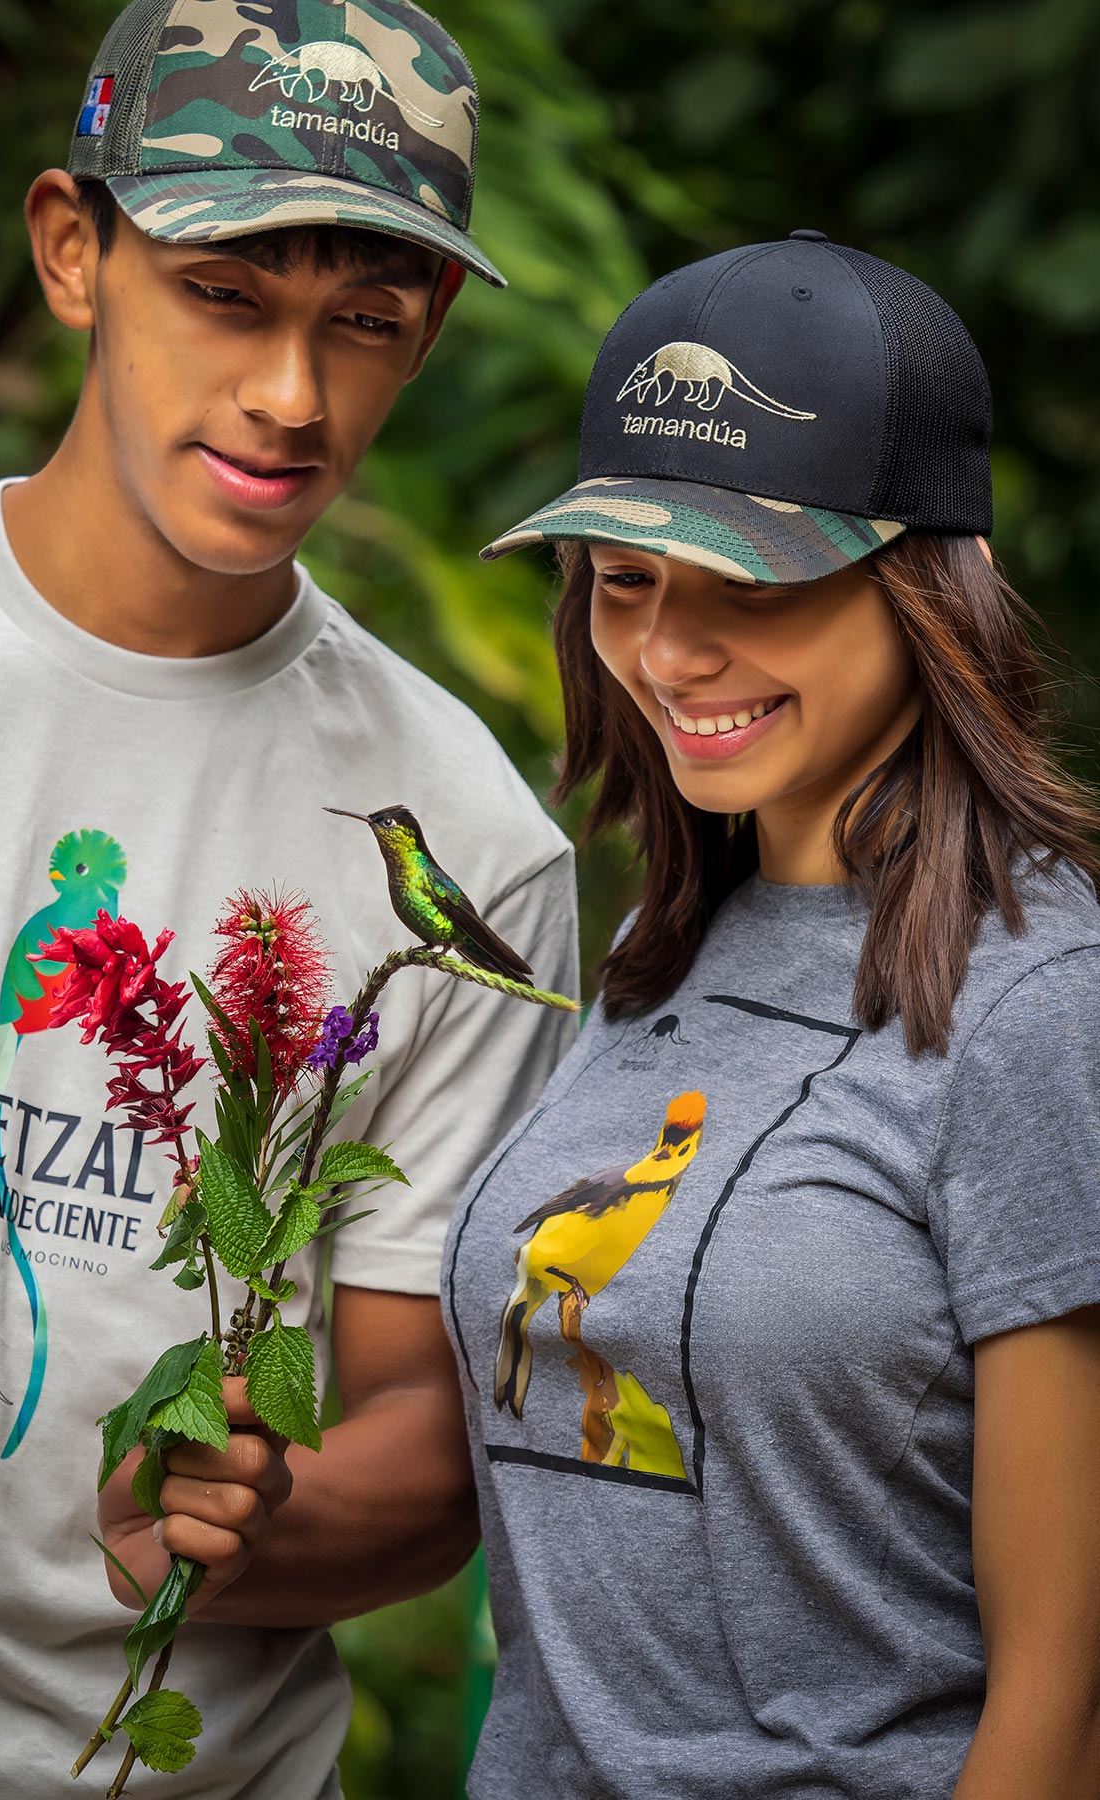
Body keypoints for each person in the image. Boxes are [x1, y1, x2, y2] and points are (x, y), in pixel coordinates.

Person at [0, 3, 579, 1796]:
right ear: (75, 251)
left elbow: (429, 1432)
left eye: (363, 327)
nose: (290, 396)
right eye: (227, 297)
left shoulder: (470, 846)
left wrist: (265, 1513)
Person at [445, 231, 1100, 1798]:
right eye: (624, 582)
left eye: (751, 581)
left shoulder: (1036, 1000)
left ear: (931, 584)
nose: (668, 653)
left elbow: (1063, 1706)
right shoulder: (652, 962)